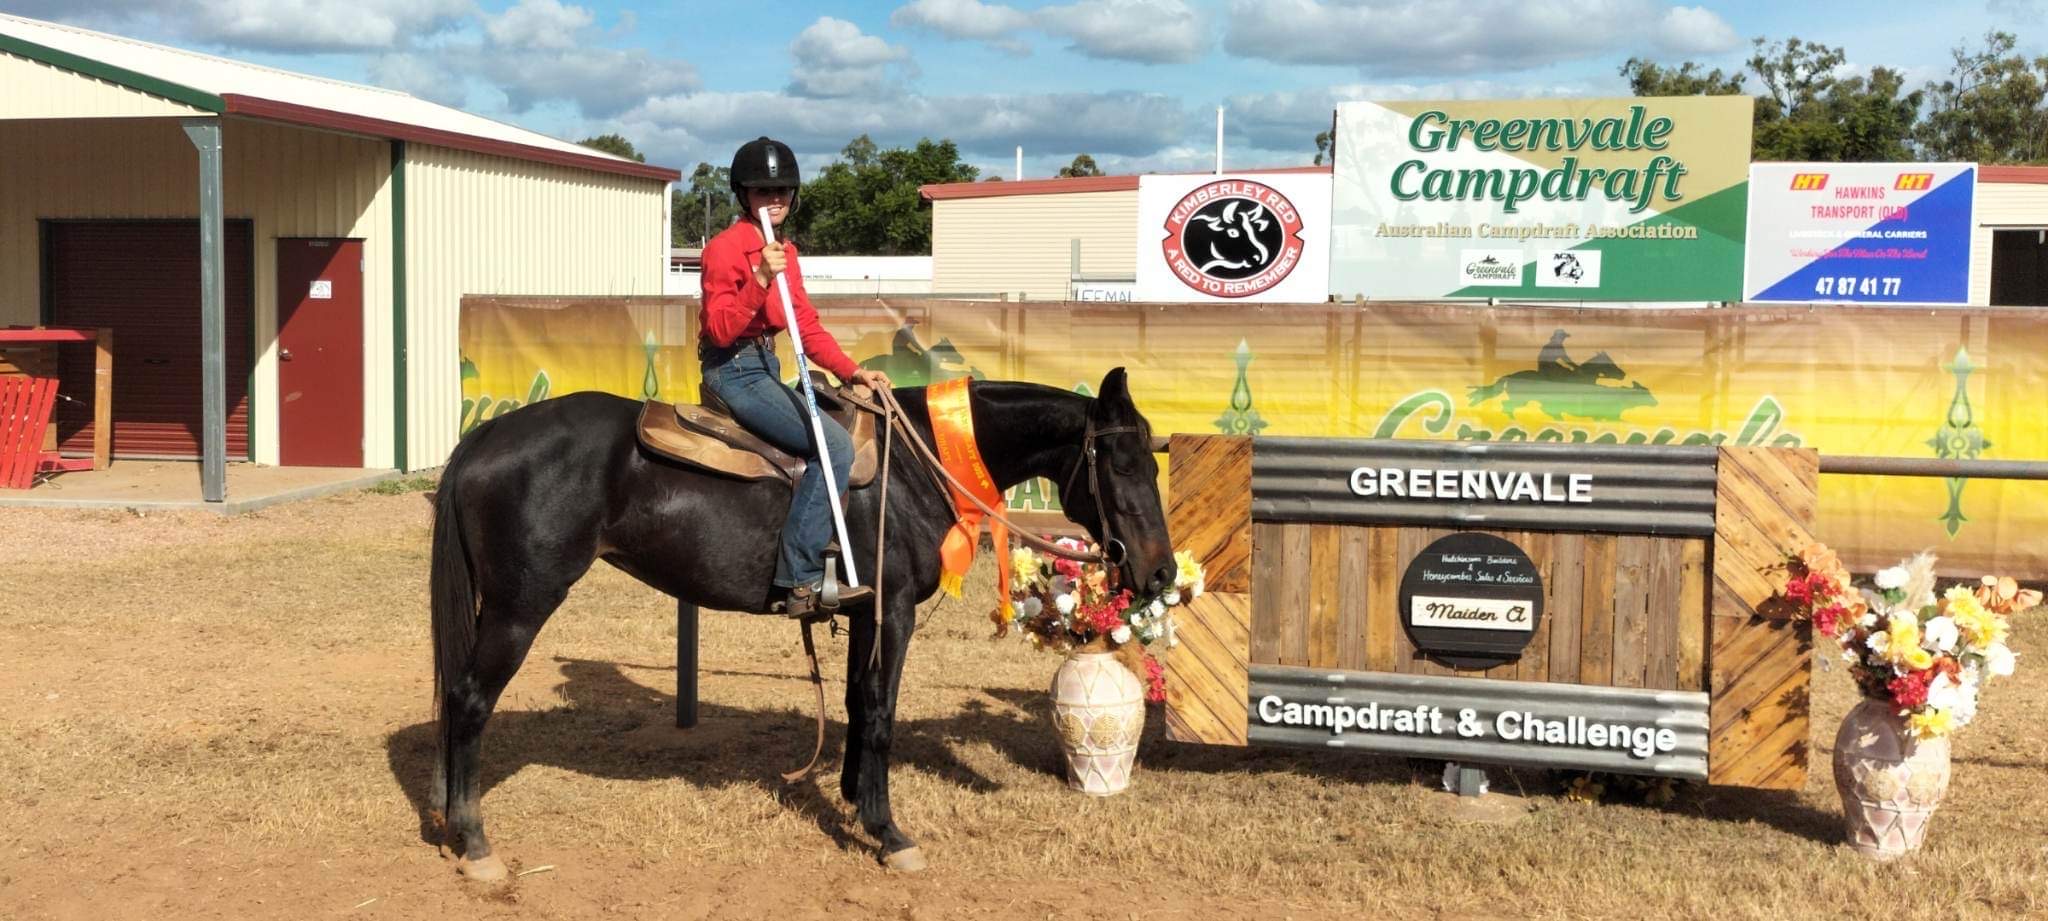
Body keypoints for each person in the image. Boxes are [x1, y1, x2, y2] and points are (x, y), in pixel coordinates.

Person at [698, 136, 891, 617]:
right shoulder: (724, 250)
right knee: (836, 447)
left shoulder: (788, 252)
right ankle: (801, 579)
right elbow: (719, 330)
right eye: (763, 191)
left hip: (767, 368)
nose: (774, 199)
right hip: (733, 371)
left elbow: (804, 325)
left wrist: (852, 370)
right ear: (744, 195)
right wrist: (761, 278)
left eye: (782, 190)